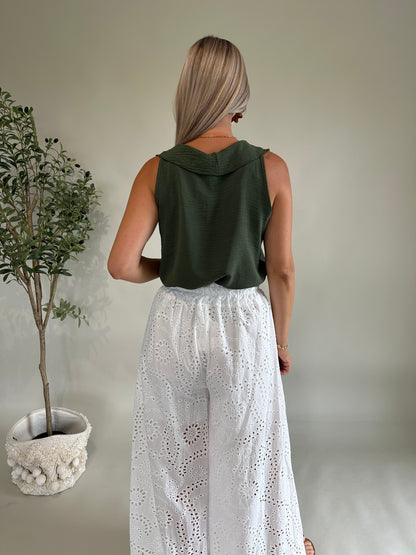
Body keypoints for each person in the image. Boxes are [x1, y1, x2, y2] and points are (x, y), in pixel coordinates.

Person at [107, 35, 315, 555]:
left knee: (176, 458)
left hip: (174, 325)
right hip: (243, 325)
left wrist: (176, 267)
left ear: (188, 93)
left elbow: (121, 265)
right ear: (238, 100)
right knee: (248, 455)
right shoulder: (271, 168)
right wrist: (281, 341)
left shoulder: (157, 169)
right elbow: (282, 271)